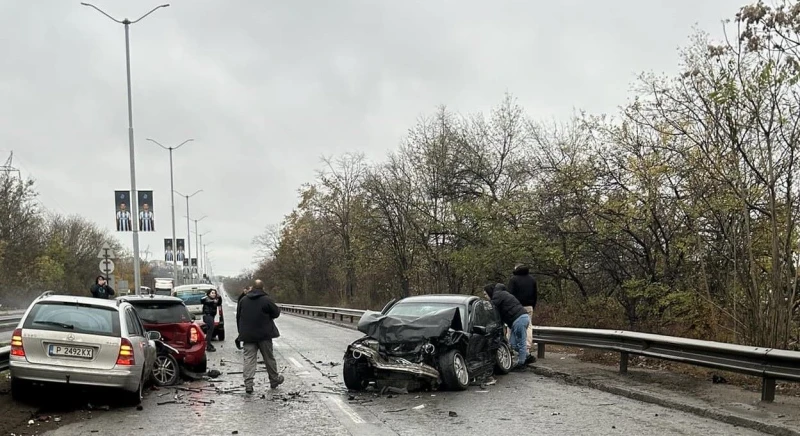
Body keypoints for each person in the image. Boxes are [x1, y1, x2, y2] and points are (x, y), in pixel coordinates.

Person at [236, 279, 284, 393]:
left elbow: (238, 317)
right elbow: (276, 313)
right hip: (264, 335)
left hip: (248, 336)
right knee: (269, 358)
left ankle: (248, 384)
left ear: (252, 288)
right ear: (263, 288)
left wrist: (241, 333)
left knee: (249, 360)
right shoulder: (266, 300)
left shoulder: (243, 300)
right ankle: (274, 380)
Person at [484, 283, 530, 370]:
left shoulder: (497, 296)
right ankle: (527, 356)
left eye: (485, 294)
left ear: (489, 292)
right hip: (517, 320)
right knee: (512, 344)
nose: (485, 297)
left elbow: (491, 309)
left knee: (521, 342)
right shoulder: (501, 294)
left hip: (519, 319)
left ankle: (522, 363)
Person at [507, 264, 538, 355]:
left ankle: (512, 347)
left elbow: (510, 295)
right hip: (528, 307)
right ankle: (527, 347)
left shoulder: (513, 279)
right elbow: (535, 295)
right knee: (528, 327)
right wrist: (532, 306)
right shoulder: (532, 279)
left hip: (515, 307)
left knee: (512, 326)